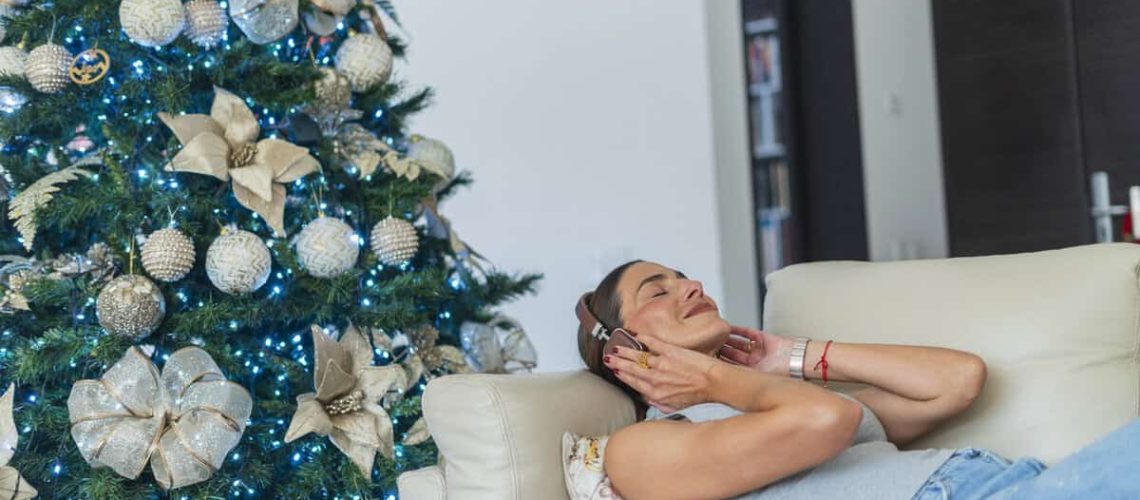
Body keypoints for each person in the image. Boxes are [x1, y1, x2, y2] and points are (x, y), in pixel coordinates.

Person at [576, 260, 1140, 500]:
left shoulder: (763, 400)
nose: (692, 285)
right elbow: (828, 418)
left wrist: (791, 356)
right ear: (621, 348)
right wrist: (713, 382)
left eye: (684, 276)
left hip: (1014, 483)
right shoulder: (639, 449)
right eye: (659, 290)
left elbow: (957, 380)